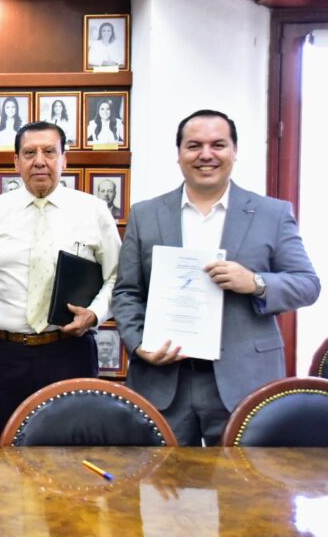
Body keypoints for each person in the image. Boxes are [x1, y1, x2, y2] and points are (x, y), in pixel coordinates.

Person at [112, 109, 320, 446]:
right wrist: (139, 344)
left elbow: (307, 284)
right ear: (179, 154)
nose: (206, 155)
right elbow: (126, 293)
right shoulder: (146, 214)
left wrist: (255, 282)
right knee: (161, 477)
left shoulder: (272, 213)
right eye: (194, 146)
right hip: (164, 380)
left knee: (246, 478)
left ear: (234, 151)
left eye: (218, 145)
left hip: (244, 379)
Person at [0, 121, 121, 444]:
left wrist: (95, 314)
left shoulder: (92, 210)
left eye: (49, 152)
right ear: (16, 162)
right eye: (29, 153)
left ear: (64, 159)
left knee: (71, 452)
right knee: (4, 450)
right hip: (5, 357)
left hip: (69, 352)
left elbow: (117, 277)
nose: (40, 161)